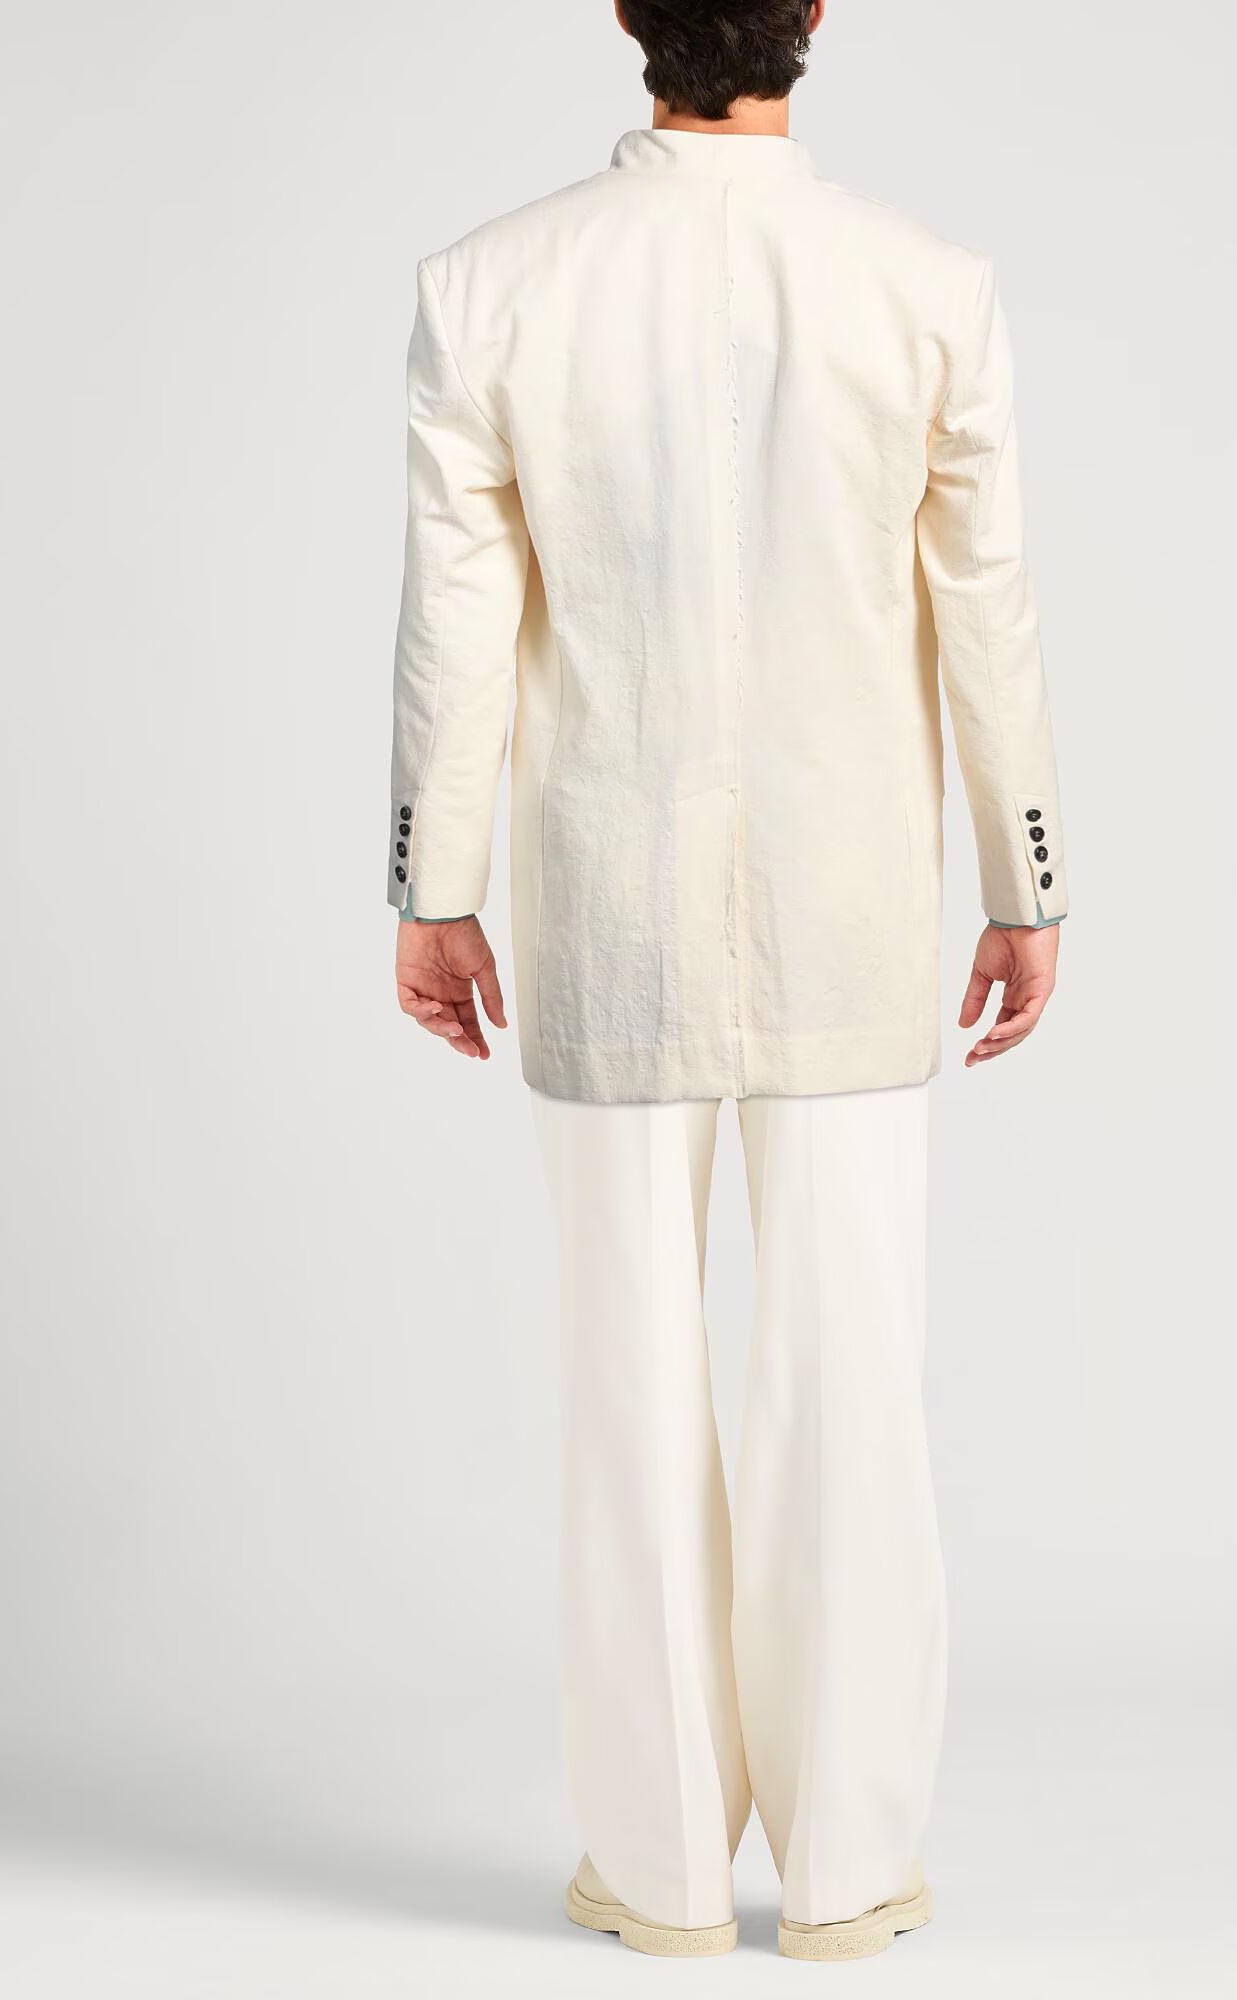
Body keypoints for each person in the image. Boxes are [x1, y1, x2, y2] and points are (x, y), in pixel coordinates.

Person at [386, 0, 1066, 1963]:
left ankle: (665, 1870)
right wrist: (1025, 876)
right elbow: (987, 605)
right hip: (857, 910)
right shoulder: (928, 287)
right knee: (851, 1383)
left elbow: (457, 618)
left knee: (627, 1379)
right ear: (816, 15)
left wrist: (436, 886)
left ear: (628, 14)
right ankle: (848, 1871)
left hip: (605, 901)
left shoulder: (491, 286)